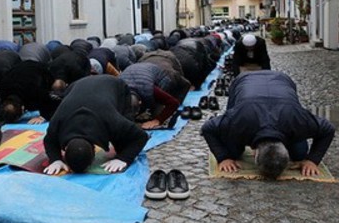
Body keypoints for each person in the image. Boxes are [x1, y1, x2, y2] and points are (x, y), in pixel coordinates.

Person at [201, 71, 335, 178]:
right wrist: (223, 158)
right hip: (244, 81)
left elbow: (328, 129)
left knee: (300, 154)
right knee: (233, 153)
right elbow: (208, 128)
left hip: (282, 81)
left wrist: (312, 160)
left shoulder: (297, 121)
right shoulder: (238, 122)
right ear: (256, 154)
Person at [43, 75, 149, 174]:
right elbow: (49, 140)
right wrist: (55, 159)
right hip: (77, 85)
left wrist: (123, 158)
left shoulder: (111, 120)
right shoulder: (58, 120)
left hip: (114, 84)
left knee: (123, 144)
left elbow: (141, 136)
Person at [119, 63, 182, 129]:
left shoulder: (150, 90)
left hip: (157, 74)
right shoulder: (118, 90)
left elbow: (174, 103)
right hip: (136, 71)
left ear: (140, 102)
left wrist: (158, 120)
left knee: (156, 112)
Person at [0, 60, 60, 124]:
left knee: (56, 87)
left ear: (22, 108)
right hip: (20, 69)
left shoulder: (35, 92)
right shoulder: (1, 91)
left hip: (40, 70)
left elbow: (49, 101)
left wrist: (43, 116)